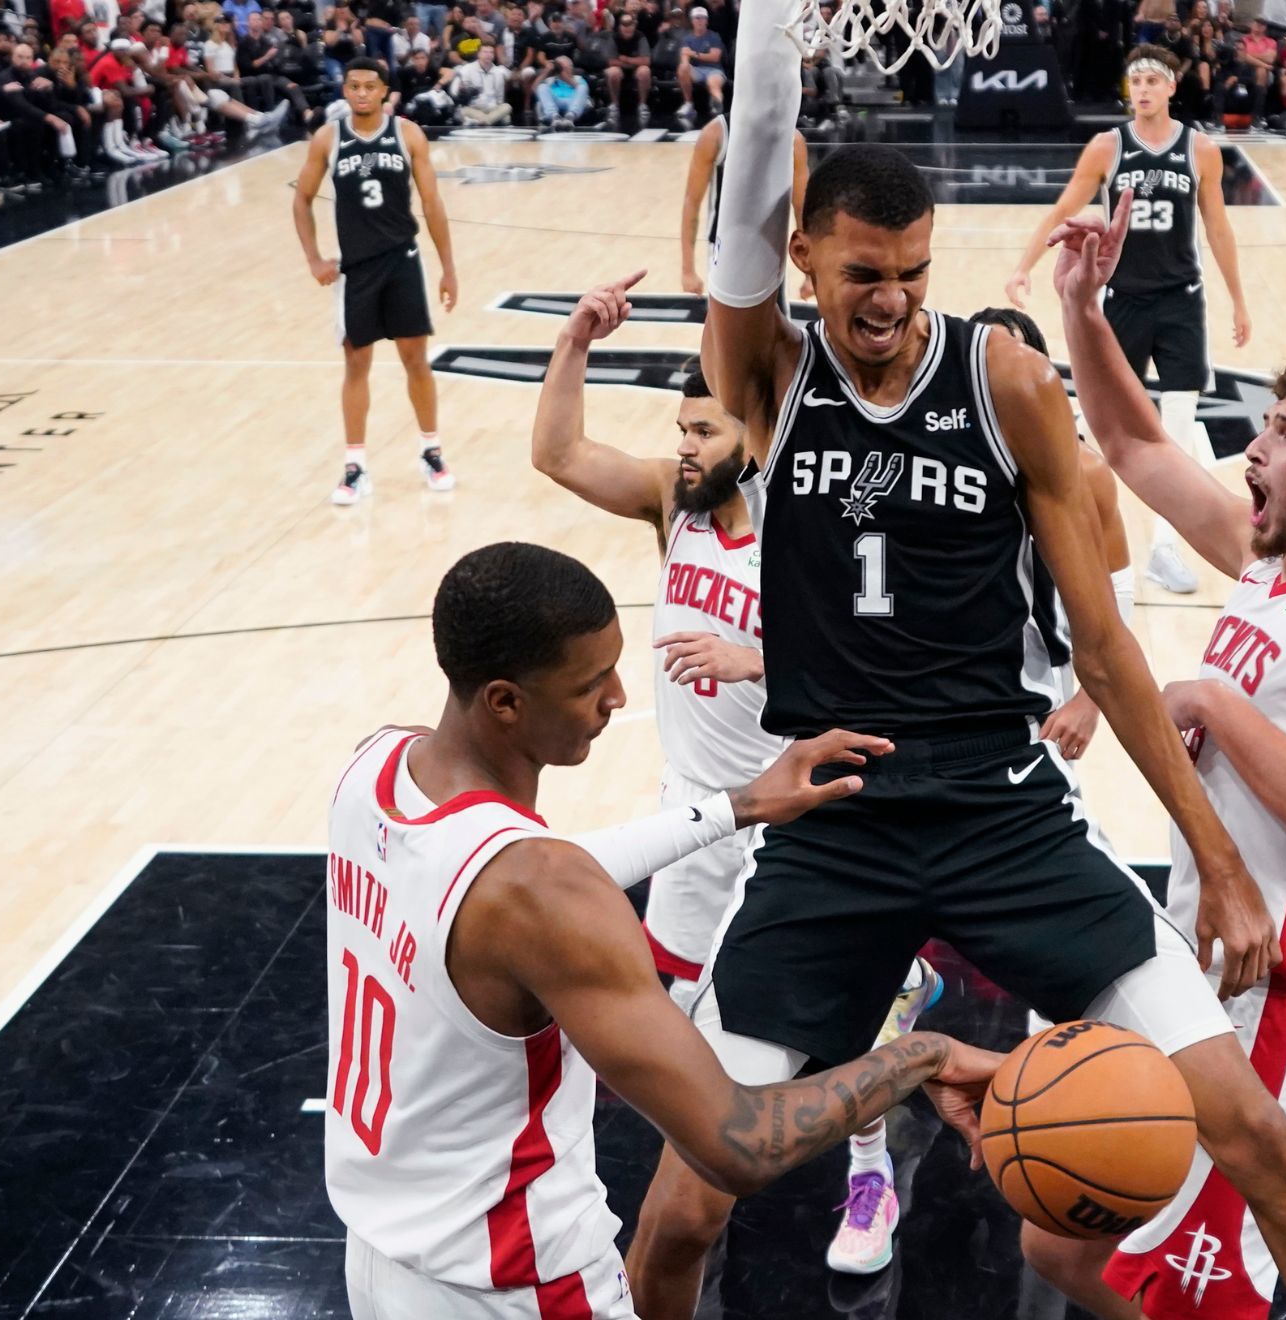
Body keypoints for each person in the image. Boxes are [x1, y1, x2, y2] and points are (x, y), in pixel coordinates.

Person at [622, 4, 1286, 1315]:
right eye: (863, 274)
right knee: (687, 1204)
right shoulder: (763, 372)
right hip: (832, 820)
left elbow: (1101, 645)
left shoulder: (1004, 384)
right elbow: (757, 143)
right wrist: (766, 27)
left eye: (914, 272)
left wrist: (1217, 863)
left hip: (1001, 807)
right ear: (800, 258)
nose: (891, 302)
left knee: (1257, 1139)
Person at [325, 540, 1001, 1318]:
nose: (617, 696)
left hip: (379, 1261)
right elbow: (738, 1143)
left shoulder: (374, 770)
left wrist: (735, 806)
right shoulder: (541, 894)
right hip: (516, 1285)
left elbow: (530, 870)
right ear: (506, 701)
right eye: (588, 684)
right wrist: (921, 1055)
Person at [1027, 166, 1286, 1320]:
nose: (1256, 450)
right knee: (1061, 1245)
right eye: (1264, 424)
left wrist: (1214, 700)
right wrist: (1082, 305)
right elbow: (1131, 442)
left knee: (1184, 1287)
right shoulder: (1264, 562)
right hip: (1210, 972)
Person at [529, 276, 945, 1277]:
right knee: (670, 1024)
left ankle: (869, 1170)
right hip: (697, 813)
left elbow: (902, 672)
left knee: (818, 1038)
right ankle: (906, 982)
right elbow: (558, 454)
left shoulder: (823, 529)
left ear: (755, 437)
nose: (683, 448)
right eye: (679, 428)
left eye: (704, 432)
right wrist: (575, 343)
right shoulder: (675, 506)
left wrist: (765, 659)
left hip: (802, 824)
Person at [1005, 44, 1252, 598]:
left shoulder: (1201, 149)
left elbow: (1217, 229)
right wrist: (1024, 267)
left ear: (1170, 88)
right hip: (1121, 299)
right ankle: (1069, 524)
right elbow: (1064, 208)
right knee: (1098, 426)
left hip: (1181, 300)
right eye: (1134, 80)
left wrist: (1237, 300)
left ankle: (1165, 548)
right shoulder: (1107, 147)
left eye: (1151, 80)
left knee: (1180, 426)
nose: (1141, 89)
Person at [967, 303, 1135, 765]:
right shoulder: (938, 460)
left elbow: (1116, 585)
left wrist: (1091, 700)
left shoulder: (1084, 470)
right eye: (986, 359)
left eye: (1016, 356)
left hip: (1040, 679)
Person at [291, 58, 458, 507]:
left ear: (385, 91)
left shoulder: (407, 134)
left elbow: (433, 203)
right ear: (344, 90)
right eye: (354, 86)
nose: (362, 93)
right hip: (356, 269)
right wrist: (313, 259)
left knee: (415, 360)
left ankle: (432, 451)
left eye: (370, 86)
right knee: (356, 364)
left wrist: (448, 268)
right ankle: (355, 466)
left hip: (402, 260)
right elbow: (301, 199)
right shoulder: (328, 138)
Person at [679, 114, 809, 300]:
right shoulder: (717, 133)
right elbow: (691, 202)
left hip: (770, 251)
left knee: (768, 325)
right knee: (725, 326)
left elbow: (801, 206)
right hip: (725, 249)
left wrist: (810, 273)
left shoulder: (792, 140)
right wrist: (688, 271)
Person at [674, 2, 723, 123]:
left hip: (714, 70)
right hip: (696, 71)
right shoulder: (686, 38)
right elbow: (684, 57)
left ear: (706, 21)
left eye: (703, 18)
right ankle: (688, 104)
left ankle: (717, 106)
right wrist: (686, 60)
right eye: (697, 18)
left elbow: (715, 57)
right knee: (682, 67)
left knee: (714, 84)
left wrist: (694, 54)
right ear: (692, 21)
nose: (700, 20)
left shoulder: (714, 36)